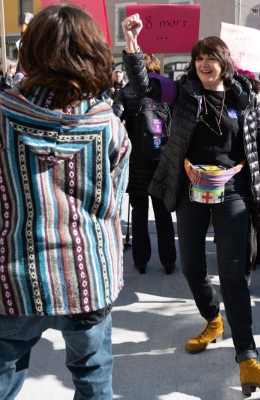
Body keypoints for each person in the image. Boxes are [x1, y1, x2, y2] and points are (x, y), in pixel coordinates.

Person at [121, 14, 260, 394]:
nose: (204, 63)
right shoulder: (184, 93)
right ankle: (213, 319)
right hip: (190, 191)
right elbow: (142, 85)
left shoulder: (245, 97)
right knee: (193, 268)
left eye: (211, 57)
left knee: (232, 273)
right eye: (199, 58)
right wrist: (132, 41)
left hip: (234, 192)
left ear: (224, 62)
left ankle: (248, 359)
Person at [0, 4, 130, 399]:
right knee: (93, 379)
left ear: (30, 50)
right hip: (88, 276)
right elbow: (114, 199)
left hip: (15, 279)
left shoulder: (3, 116)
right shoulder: (107, 122)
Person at [112, 54, 177, 275]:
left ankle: (140, 262)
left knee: (139, 212)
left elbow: (114, 120)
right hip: (162, 161)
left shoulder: (126, 91)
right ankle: (168, 262)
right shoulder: (166, 91)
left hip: (136, 161)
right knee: (163, 211)